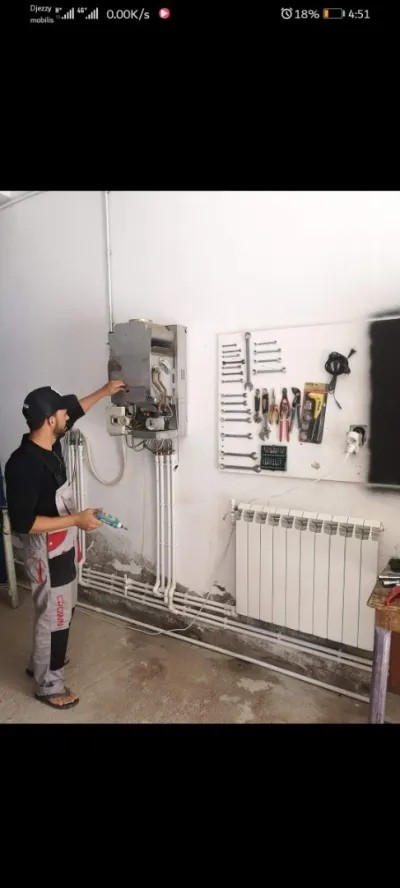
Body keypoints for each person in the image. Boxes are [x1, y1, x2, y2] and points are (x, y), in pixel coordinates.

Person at [5, 379, 125, 710]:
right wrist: (76, 520)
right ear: (49, 420)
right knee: (54, 617)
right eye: (61, 412)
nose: (67, 416)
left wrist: (104, 391)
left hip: (64, 544)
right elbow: (24, 523)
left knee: (62, 610)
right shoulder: (23, 464)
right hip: (45, 550)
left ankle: (40, 663)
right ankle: (49, 685)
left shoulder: (50, 442)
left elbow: (76, 409)